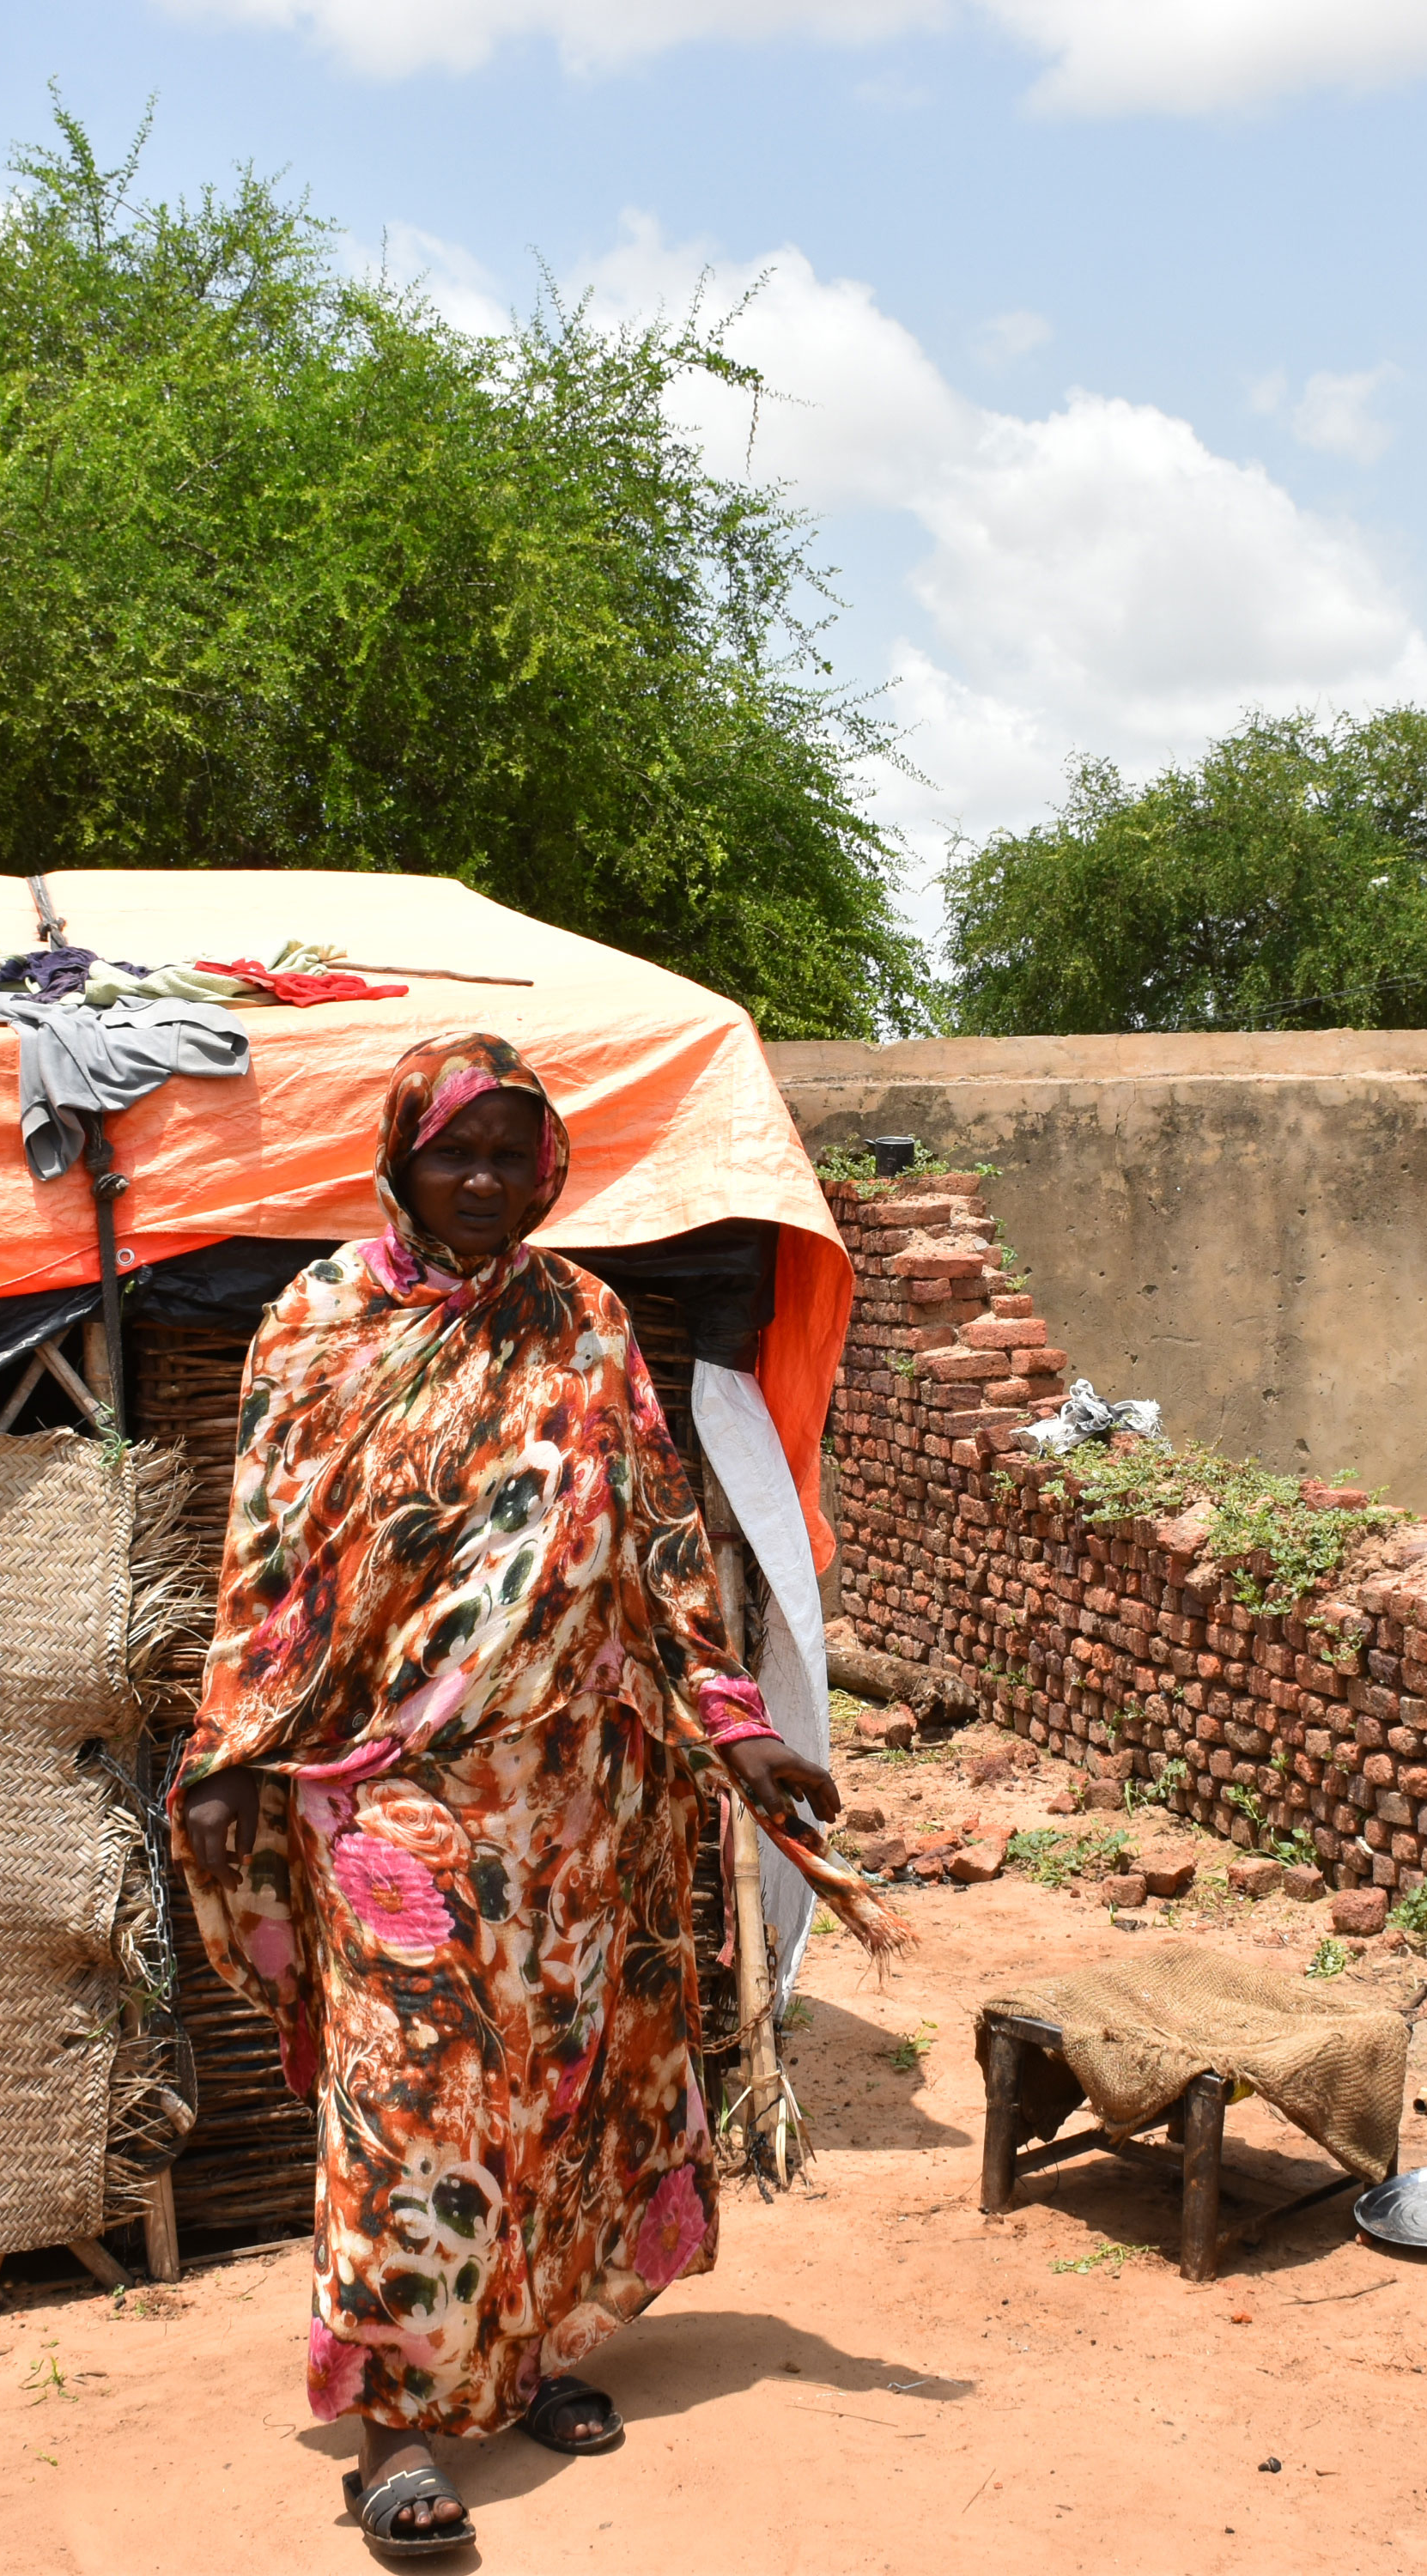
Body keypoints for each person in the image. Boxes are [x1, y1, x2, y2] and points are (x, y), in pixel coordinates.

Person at [173, 1031, 894, 2560]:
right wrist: (237, 1742)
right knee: (409, 2101)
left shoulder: (586, 1318)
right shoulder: (321, 1320)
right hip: (399, 1794)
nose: (487, 1181)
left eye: (514, 1154)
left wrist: (733, 1719)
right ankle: (398, 2426)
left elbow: (658, 1532)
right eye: (458, 1153)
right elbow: (270, 1562)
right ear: (402, 1160)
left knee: (573, 2083)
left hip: (588, 1789)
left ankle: (537, 2353)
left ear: (550, 1167)